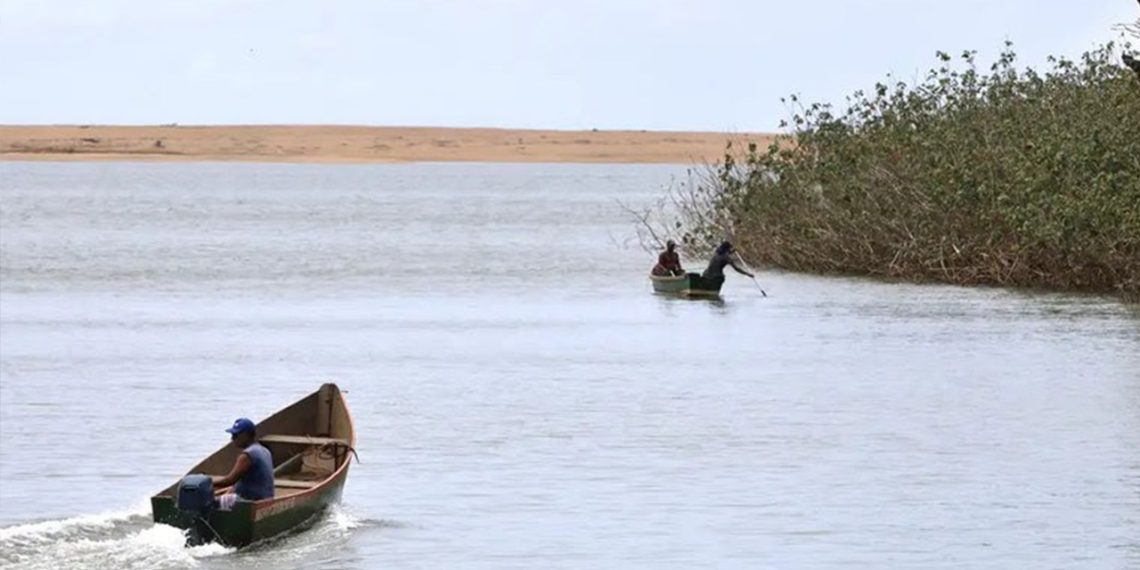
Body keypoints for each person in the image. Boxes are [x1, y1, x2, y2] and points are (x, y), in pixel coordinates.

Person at [211, 418, 274, 505]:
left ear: (246, 435)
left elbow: (229, 480)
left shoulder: (247, 455)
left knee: (205, 503)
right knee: (229, 491)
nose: (232, 438)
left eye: (235, 435)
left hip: (252, 502)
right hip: (267, 498)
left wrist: (209, 483)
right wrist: (232, 489)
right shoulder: (264, 450)